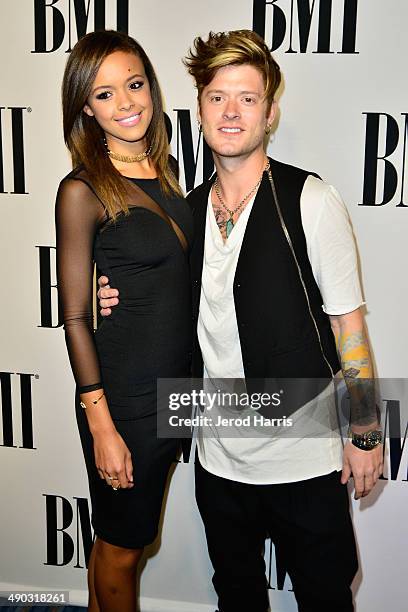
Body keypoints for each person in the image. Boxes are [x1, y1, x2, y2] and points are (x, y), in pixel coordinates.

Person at [98, 30, 383, 612]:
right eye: (217, 97)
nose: (231, 112)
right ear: (199, 107)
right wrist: (112, 294)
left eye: (247, 98)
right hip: (219, 458)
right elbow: (158, 290)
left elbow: (348, 326)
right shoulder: (185, 209)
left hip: (303, 458)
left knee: (326, 599)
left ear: (270, 111)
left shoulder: (310, 200)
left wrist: (366, 434)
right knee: (237, 598)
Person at [56, 30, 193, 612]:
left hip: (179, 390)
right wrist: (102, 424)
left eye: (134, 85)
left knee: (127, 542)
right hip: (127, 397)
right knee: (122, 547)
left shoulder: (165, 176)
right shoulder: (83, 189)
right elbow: (75, 316)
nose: (127, 103)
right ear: (86, 106)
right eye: (105, 93)